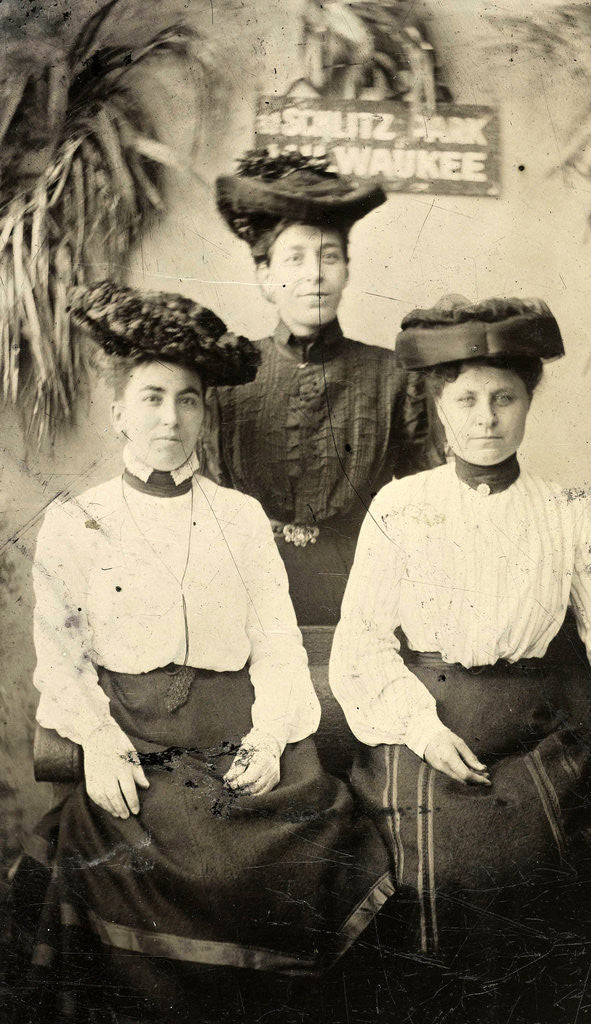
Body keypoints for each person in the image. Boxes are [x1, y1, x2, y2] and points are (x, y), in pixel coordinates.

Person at [12, 281, 394, 1024]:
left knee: (309, 833)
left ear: (203, 413)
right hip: (138, 737)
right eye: (152, 397)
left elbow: (277, 642)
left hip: (232, 732)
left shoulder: (239, 516)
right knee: (125, 848)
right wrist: (98, 744)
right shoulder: (77, 520)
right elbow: (61, 658)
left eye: (188, 400)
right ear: (118, 411)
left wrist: (275, 736)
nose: (170, 417)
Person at [329, 294, 591, 988]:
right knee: (444, 863)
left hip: (537, 730)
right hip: (426, 727)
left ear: (528, 403)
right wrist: (421, 730)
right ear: (440, 405)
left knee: (538, 858)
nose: (485, 418)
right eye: (467, 399)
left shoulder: (569, 513)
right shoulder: (401, 507)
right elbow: (361, 647)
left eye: (503, 398)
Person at [209, 149, 440, 624]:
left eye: (329, 257)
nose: (314, 273)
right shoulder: (224, 378)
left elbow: (426, 505)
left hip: (366, 590)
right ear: (266, 277)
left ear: (347, 272)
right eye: (295, 258)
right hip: (248, 590)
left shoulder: (395, 375)